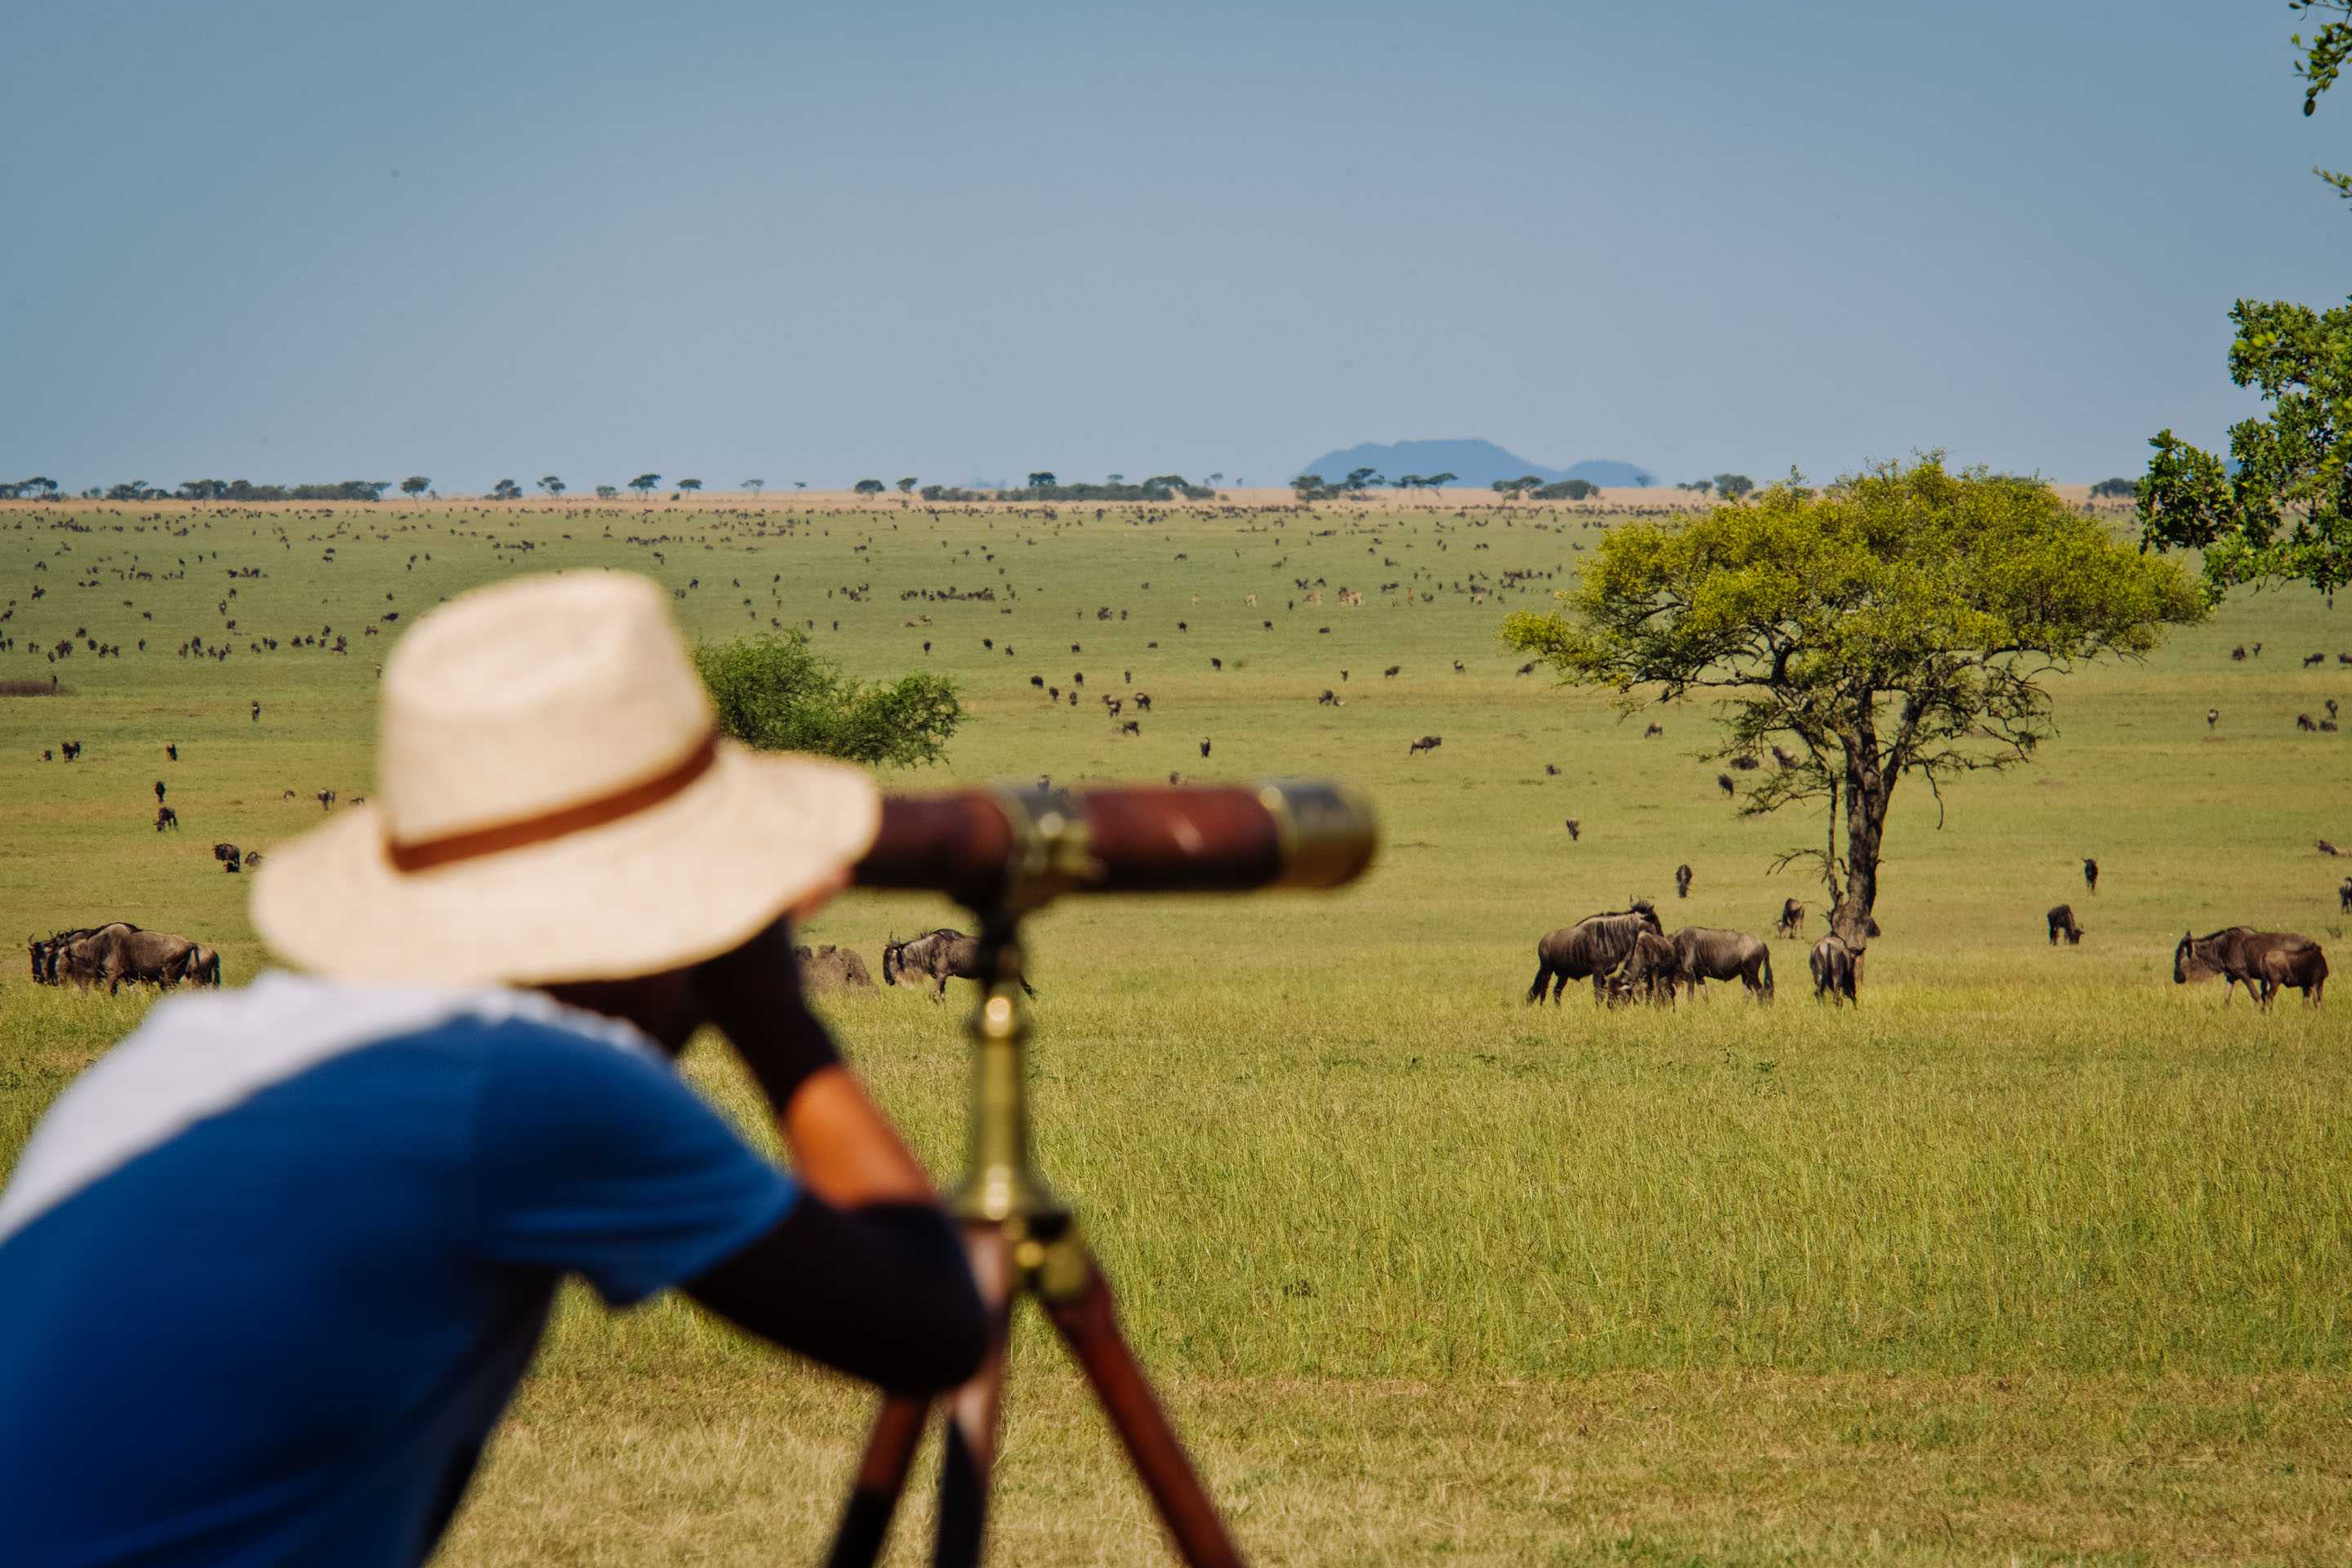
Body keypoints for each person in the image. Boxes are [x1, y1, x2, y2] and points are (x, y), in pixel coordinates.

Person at [0, 572, 986, 1566]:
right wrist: (770, 1007)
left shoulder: (175, 1059)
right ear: (671, 905)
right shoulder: (530, 1084)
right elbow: (933, 1328)